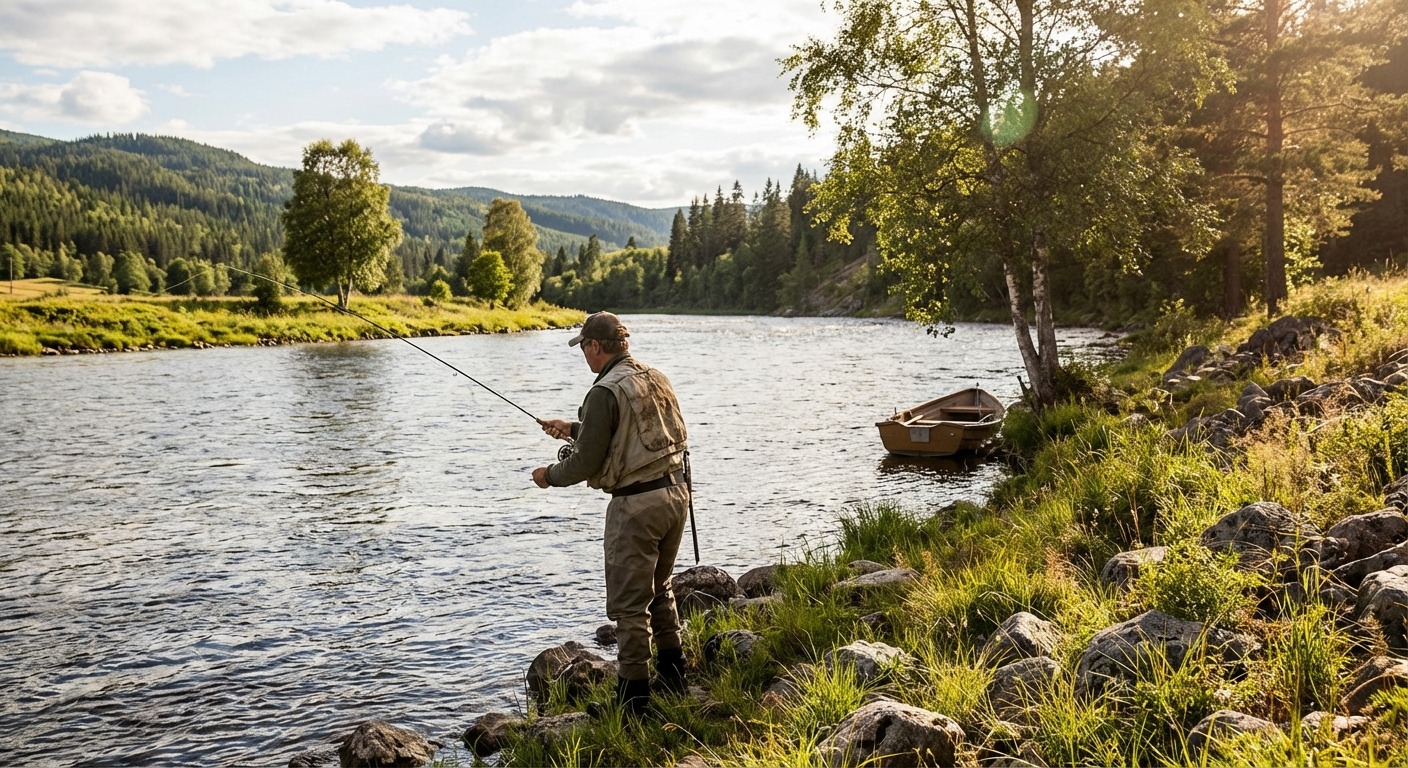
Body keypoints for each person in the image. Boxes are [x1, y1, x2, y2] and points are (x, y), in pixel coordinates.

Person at [532, 311, 691, 715]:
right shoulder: (654, 376)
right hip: (676, 495)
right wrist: (570, 426)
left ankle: (634, 700)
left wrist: (548, 476)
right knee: (661, 586)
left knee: (629, 607)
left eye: (584, 347)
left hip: (636, 506)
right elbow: (629, 431)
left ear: (596, 346)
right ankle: (675, 674)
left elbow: (585, 463)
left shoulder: (603, 391)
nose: (584, 356)